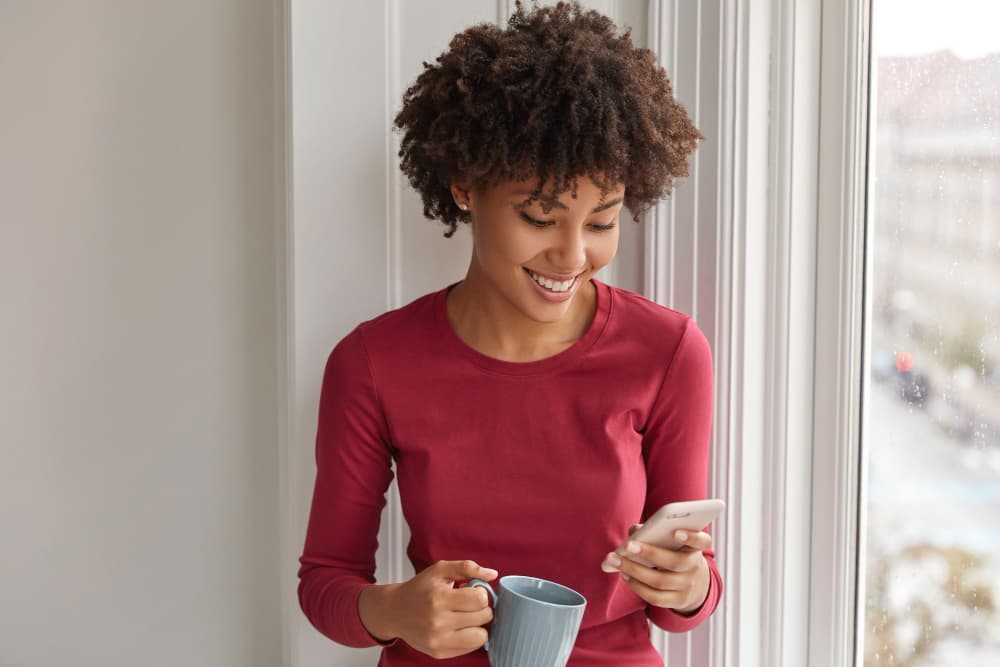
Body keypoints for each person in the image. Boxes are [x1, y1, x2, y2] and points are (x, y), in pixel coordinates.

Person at [297, 2, 722, 665]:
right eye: (539, 215)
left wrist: (690, 583)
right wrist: (397, 610)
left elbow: (681, 607)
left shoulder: (669, 353)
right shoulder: (373, 364)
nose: (573, 255)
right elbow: (325, 581)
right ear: (466, 187)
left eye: (603, 220)